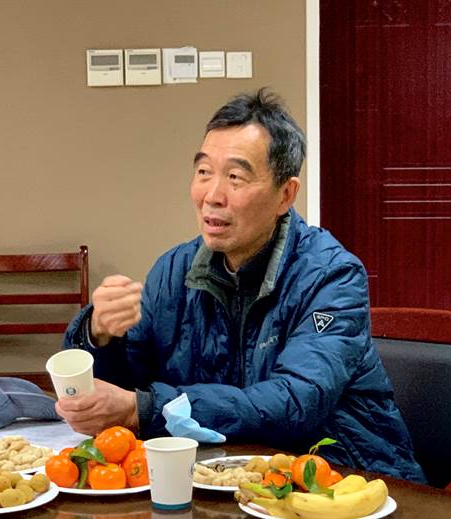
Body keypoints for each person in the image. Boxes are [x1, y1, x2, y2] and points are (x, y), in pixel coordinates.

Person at [58, 88, 425, 482]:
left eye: (235, 177)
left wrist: (144, 409)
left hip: (345, 480)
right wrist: (100, 336)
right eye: (203, 172)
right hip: (225, 479)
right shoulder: (173, 270)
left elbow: (295, 403)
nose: (212, 196)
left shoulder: (332, 276)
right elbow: (125, 390)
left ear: (286, 194)